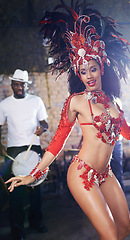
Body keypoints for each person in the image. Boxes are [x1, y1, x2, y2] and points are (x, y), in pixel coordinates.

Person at [5, 2, 130, 240]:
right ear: (78, 73)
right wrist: (33, 174)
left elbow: (126, 133)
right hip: (82, 173)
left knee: (125, 228)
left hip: (105, 173)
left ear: (101, 69)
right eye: (83, 71)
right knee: (110, 235)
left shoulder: (113, 102)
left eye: (92, 69)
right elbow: (57, 143)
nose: (88, 76)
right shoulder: (76, 101)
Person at [0, 69, 48, 240]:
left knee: (35, 189)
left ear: (27, 85)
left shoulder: (36, 101)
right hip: (14, 150)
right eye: (16, 84)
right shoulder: (4, 104)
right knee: (16, 192)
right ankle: (17, 230)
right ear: (12, 84)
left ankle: (36, 222)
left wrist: (42, 129)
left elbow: (45, 123)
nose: (19, 87)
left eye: (22, 84)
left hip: (33, 147)